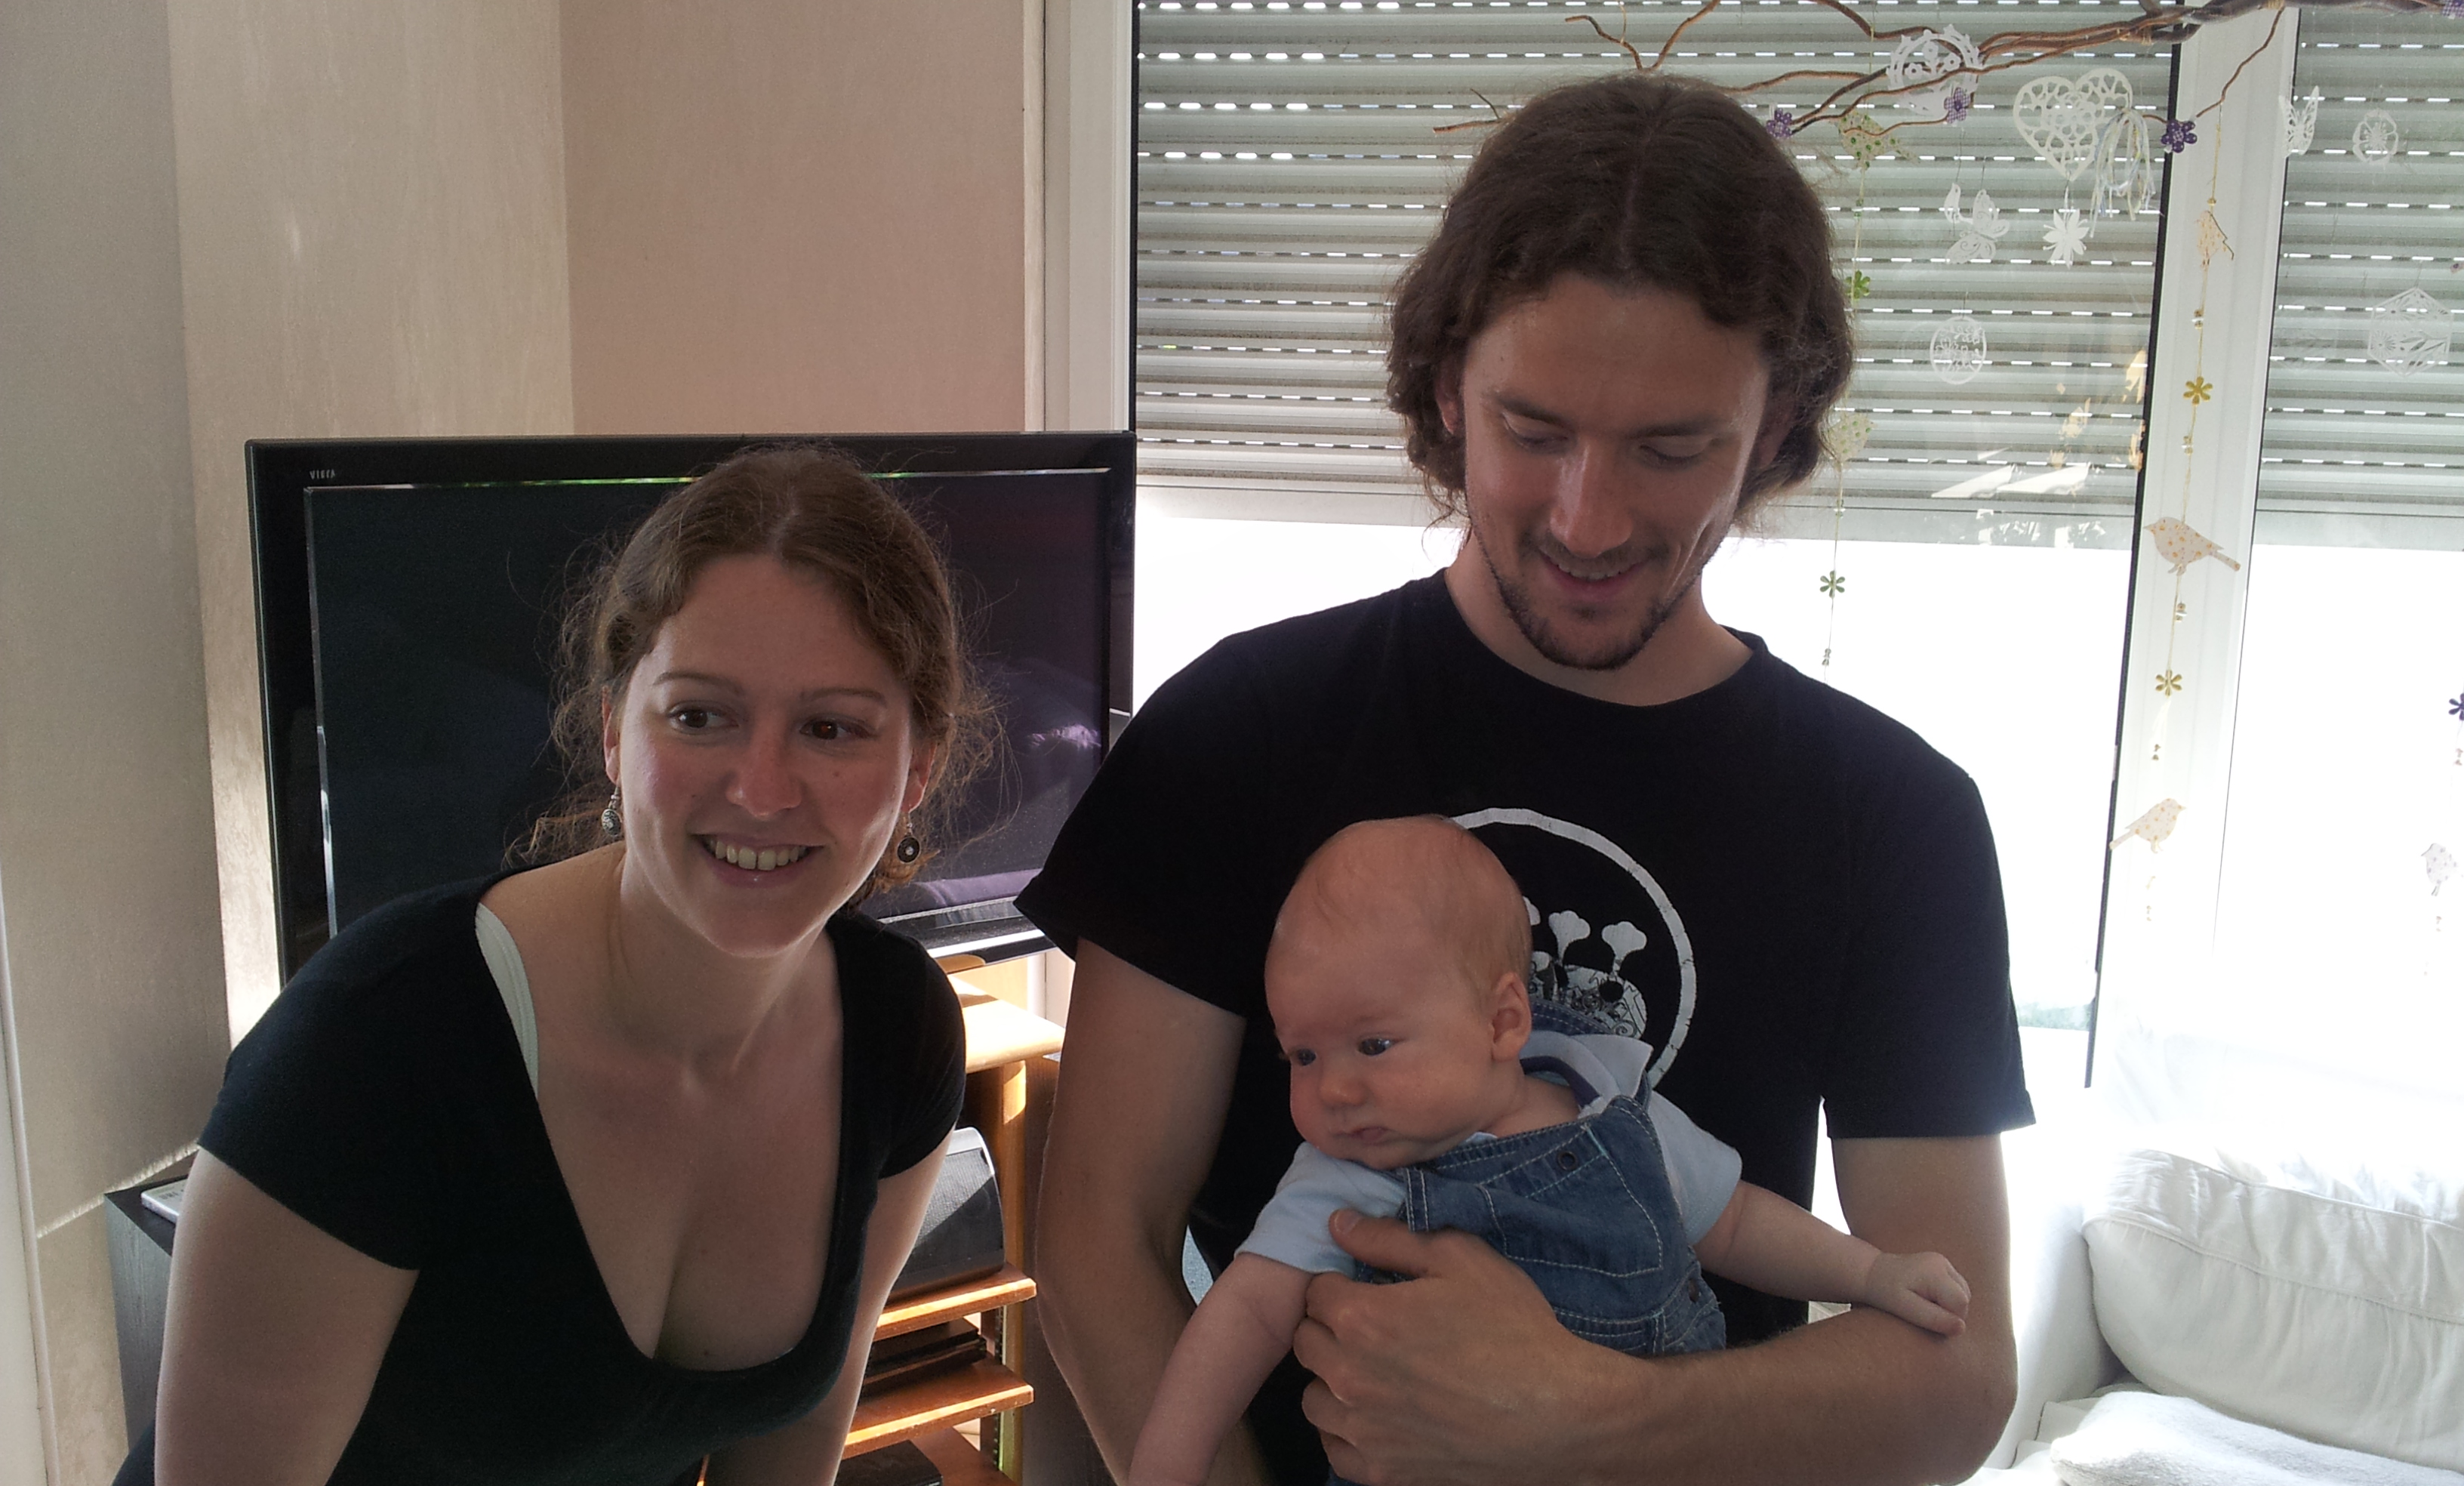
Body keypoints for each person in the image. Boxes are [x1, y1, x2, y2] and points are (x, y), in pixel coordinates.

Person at [1021, 70, 2034, 1486]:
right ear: (1448, 390)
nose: (1586, 518)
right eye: (1533, 432)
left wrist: (1587, 1419)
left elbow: (1959, 1376)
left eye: (1670, 449)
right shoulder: (1236, 733)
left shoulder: (1893, 818)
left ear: (1775, 426)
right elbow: (1095, 1240)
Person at [128, 446, 979, 1486]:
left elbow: (797, 1433)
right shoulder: (371, 1050)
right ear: (615, 732)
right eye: (699, 715)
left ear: (919, 767)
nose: (761, 791)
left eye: (831, 728)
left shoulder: (898, 1032)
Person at [1129, 819, 1972, 1486]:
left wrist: (1870, 1275)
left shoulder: (1614, 1106)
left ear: (1503, 1022)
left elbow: (1739, 1222)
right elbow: (1248, 1311)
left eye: (1373, 1045)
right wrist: (1166, 1466)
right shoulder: (1346, 1178)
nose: (1335, 1090)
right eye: (1304, 1056)